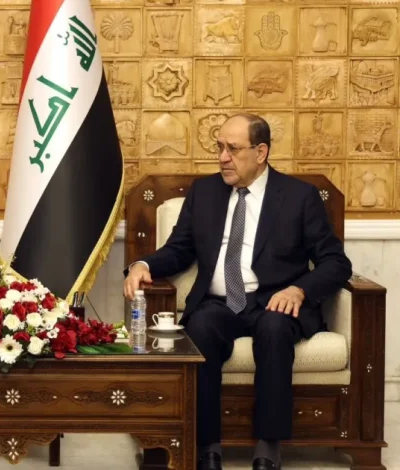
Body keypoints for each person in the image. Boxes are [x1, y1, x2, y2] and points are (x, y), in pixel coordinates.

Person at [123, 114, 351, 470]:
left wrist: (299, 290)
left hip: (274, 301)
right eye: (219, 147)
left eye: (233, 149)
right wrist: (144, 265)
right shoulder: (204, 192)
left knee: (274, 329)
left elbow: (335, 262)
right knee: (199, 328)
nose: (223, 157)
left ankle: (268, 446)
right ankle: (207, 446)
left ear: (261, 152)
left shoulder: (299, 197)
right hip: (220, 303)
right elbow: (180, 249)